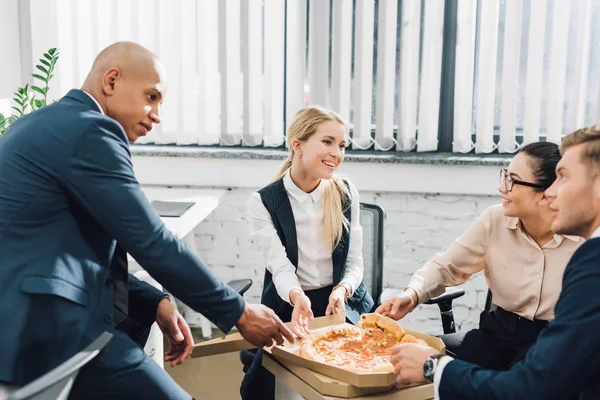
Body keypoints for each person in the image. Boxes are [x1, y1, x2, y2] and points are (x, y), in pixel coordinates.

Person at [0, 41, 294, 399]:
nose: (157, 115)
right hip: (53, 333)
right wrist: (239, 313)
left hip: (25, 324)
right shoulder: (91, 131)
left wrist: (155, 302)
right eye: (151, 97)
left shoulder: (43, 124)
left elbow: (66, 253)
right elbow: (153, 241)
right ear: (111, 81)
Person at [390, 126, 600, 399]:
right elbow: (446, 266)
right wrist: (413, 293)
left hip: (544, 343)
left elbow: (531, 386)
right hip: (497, 335)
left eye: (563, 177)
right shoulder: (495, 220)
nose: (552, 192)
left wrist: (433, 366)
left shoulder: (590, 257)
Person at [240, 106, 374, 399]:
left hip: (340, 302)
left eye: (341, 145)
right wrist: (298, 296)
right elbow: (280, 266)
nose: (336, 153)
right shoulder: (263, 201)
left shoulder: (346, 191)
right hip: (291, 303)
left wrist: (343, 289)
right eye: (327, 142)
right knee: (256, 389)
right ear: (297, 145)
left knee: (345, 380)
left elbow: (354, 261)